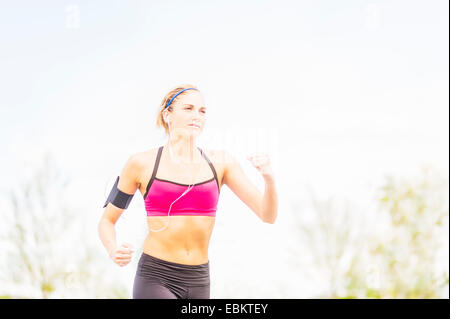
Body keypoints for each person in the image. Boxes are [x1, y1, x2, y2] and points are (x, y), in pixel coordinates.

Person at [98, 84, 278, 299]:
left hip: (199, 279)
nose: (197, 116)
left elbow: (268, 215)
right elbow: (107, 221)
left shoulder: (221, 163)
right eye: (188, 109)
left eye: (202, 111)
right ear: (168, 115)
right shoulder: (141, 163)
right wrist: (112, 249)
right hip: (156, 276)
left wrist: (269, 178)